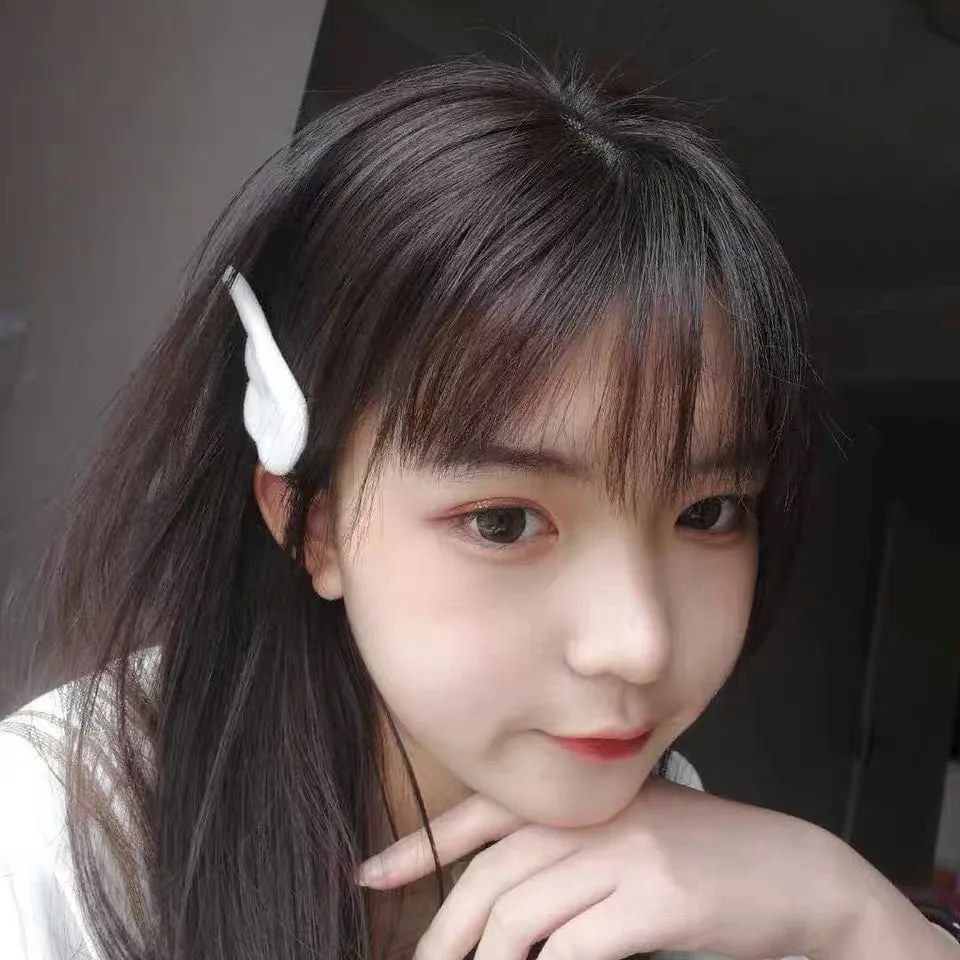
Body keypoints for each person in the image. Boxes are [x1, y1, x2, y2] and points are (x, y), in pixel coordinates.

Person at [0, 56, 956, 960]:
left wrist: (858, 915)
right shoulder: (52, 842)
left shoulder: (670, 847)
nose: (639, 645)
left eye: (708, 512)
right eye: (503, 522)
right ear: (311, 522)